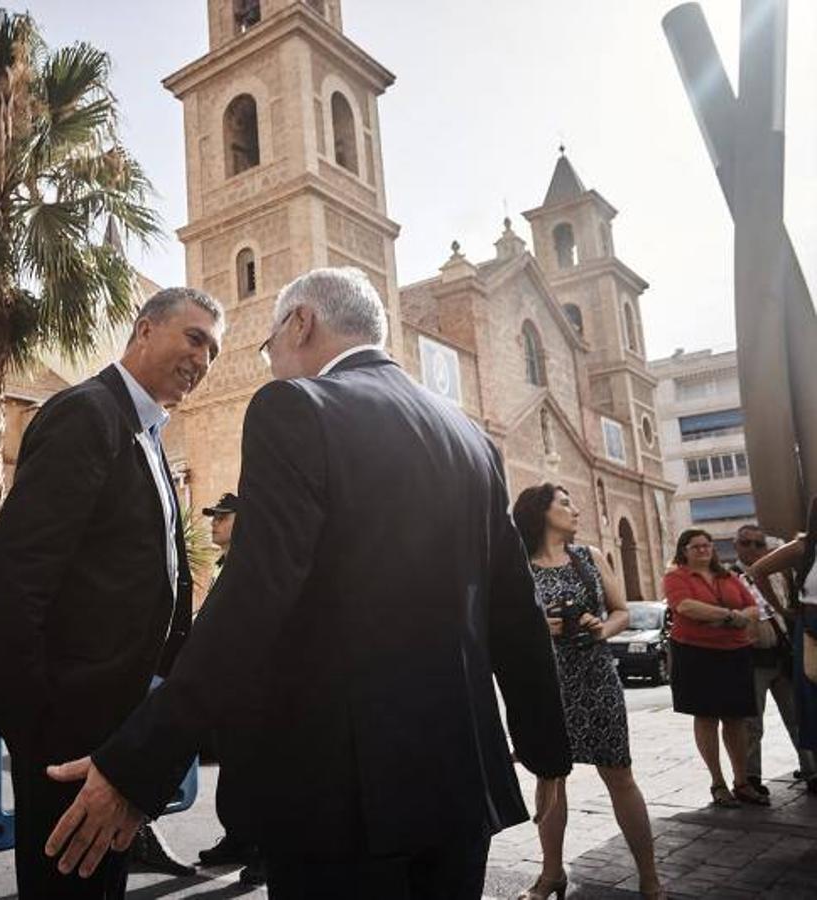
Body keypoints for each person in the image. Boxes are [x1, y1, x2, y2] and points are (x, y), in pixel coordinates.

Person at [43, 267, 571, 899]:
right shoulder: (469, 438)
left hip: (343, 799)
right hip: (461, 791)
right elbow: (514, 609)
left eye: (268, 349)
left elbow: (253, 601)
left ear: (300, 323)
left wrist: (139, 764)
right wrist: (546, 751)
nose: (270, 367)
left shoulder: (297, 407)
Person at [0, 287, 224, 898]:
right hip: (67, 725)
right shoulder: (88, 412)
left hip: (118, 723)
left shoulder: (150, 433)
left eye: (213, 351)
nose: (203, 360)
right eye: (194, 338)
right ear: (142, 330)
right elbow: (18, 570)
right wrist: (40, 721)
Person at [511, 483, 660, 900]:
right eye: (565, 503)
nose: (575, 510)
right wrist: (540, 628)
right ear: (541, 511)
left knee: (620, 775)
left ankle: (649, 878)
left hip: (597, 679)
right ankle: (551, 874)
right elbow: (503, 625)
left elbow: (621, 612)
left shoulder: (589, 557)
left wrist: (600, 629)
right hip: (548, 684)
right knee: (550, 777)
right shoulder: (519, 566)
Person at [193, 492, 266, 887]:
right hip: (230, 685)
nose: (213, 522)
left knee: (258, 772)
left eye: (222, 516)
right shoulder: (225, 564)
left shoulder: (255, 561)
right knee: (233, 769)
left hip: (254, 685)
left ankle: (264, 850)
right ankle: (238, 839)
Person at [662, 529, 761, 808]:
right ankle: (718, 783)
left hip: (734, 653)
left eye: (707, 546)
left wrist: (733, 617)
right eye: (696, 547)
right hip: (696, 654)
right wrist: (731, 615)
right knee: (706, 718)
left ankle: (741, 782)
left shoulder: (728, 576)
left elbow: (752, 607)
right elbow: (685, 607)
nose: (704, 550)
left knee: (736, 718)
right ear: (684, 551)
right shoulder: (676, 577)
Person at [730, 523, 817, 794]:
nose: (753, 549)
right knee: (751, 723)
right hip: (751, 657)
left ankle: (811, 770)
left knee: (798, 716)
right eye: (747, 543)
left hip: (782, 653)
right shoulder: (729, 577)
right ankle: (750, 778)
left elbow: (788, 608)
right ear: (736, 545)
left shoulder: (780, 576)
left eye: (759, 544)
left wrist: (787, 614)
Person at [749, 495, 817, 785]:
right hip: (812, 627)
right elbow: (757, 571)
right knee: (813, 700)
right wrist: (782, 610)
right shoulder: (803, 547)